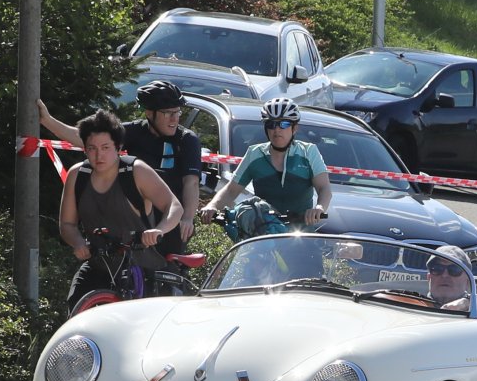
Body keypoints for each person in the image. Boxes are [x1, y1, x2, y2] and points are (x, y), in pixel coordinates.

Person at [37, 80, 203, 256]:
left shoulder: (187, 139)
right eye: (168, 113)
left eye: (177, 112)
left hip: (171, 215)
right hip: (138, 216)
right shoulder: (136, 131)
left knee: (167, 266)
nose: (175, 119)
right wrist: (47, 121)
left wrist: (187, 218)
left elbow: (191, 183)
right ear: (149, 113)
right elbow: (88, 138)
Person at [58, 109, 183, 310]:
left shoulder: (136, 171)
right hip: (99, 263)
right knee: (77, 308)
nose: (99, 155)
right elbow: (67, 224)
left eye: (106, 147)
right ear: (84, 149)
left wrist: (159, 230)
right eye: (92, 148)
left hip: (142, 265)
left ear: (118, 147)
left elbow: (174, 206)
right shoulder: (77, 175)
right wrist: (78, 242)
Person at [199, 98, 330, 228]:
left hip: (301, 231)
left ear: (294, 128)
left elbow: (324, 188)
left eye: (284, 124)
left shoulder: (309, 152)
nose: (277, 130)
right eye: (271, 124)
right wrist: (212, 206)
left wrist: (319, 207)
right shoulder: (254, 153)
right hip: (264, 231)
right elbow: (231, 190)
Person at [425, 248, 473, 312]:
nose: (444, 275)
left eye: (454, 270)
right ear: (429, 278)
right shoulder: (414, 305)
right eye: (437, 269)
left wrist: (468, 302)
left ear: (468, 281)